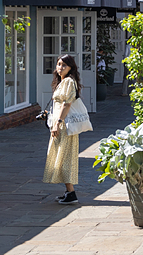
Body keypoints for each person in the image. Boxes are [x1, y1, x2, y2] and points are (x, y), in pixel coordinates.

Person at [44, 54, 82, 205]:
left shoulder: (68, 82)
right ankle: (68, 191)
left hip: (63, 126)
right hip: (60, 124)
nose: (60, 68)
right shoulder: (63, 82)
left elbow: (67, 104)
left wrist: (58, 123)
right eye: (58, 64)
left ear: (71, 68)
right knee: (61, 157)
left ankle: (71, 193)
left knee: (64, 158)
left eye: (64, 65)